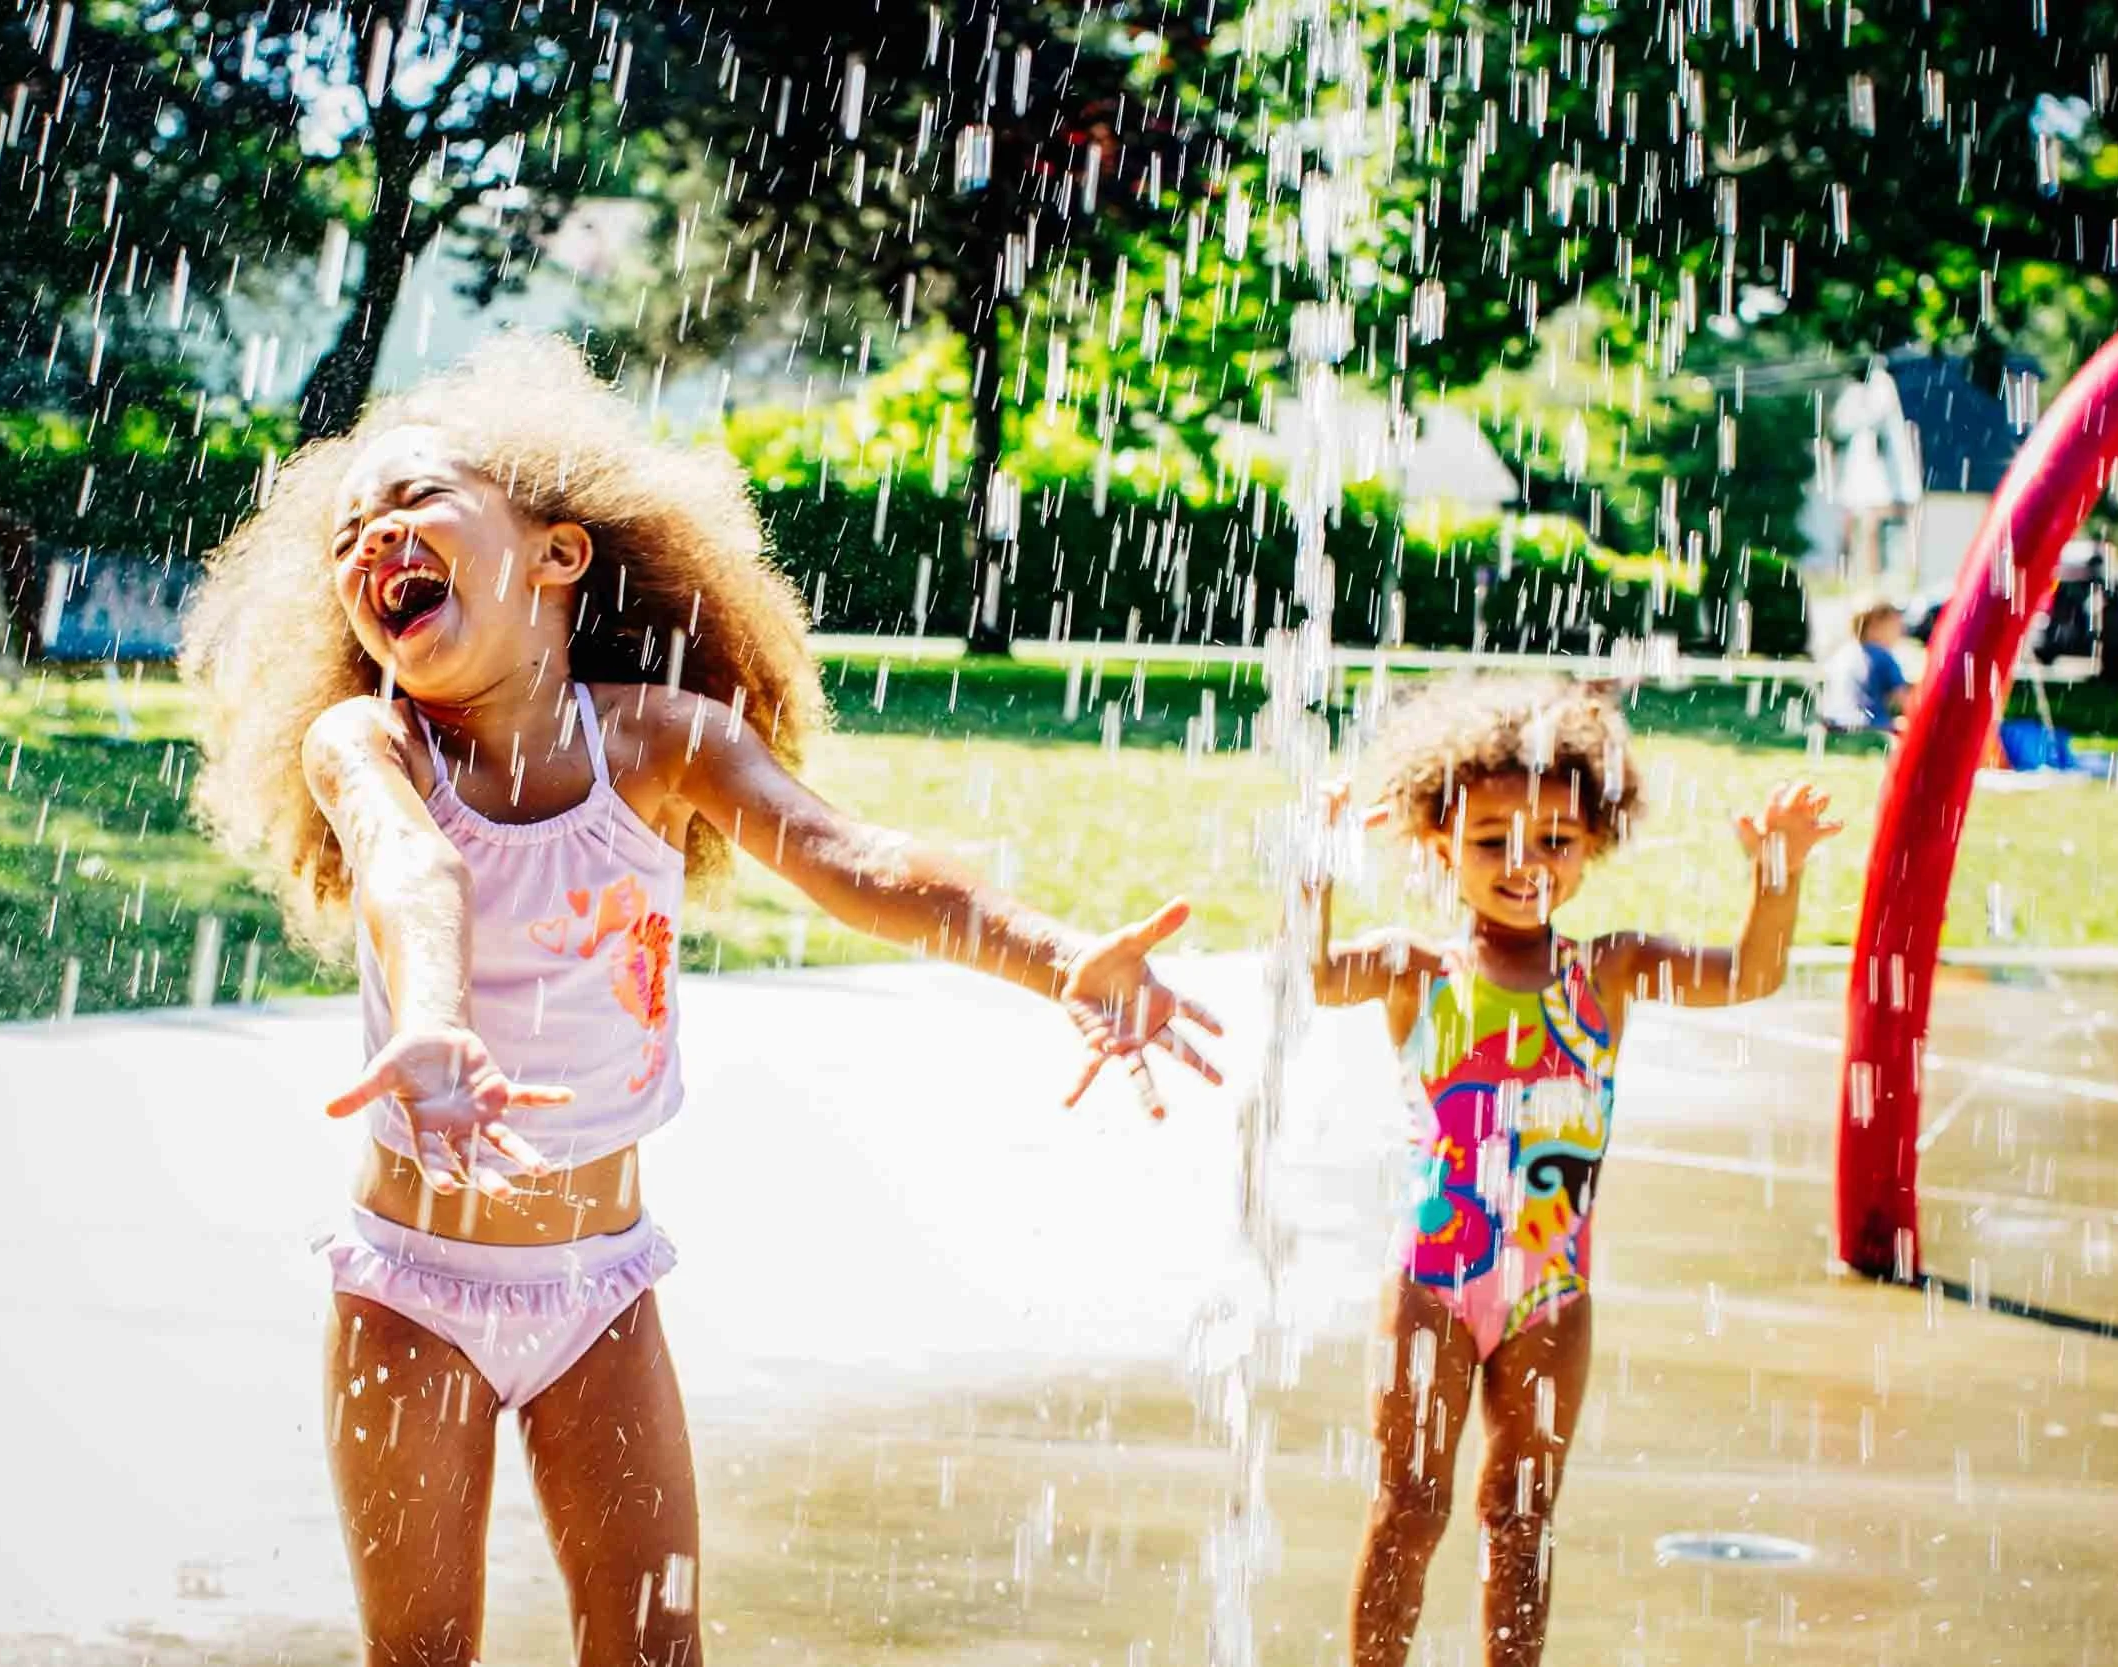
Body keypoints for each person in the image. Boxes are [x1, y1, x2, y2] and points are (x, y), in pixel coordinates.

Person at [178, 334, 1224, 1667]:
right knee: (421, 1651)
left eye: (417, 500)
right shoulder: (369, 741)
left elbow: (858, 865)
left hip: (598, 1289)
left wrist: (1057, 954)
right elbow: (409, 861)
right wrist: (433, 1014)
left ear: (560, 554)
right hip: (410, 1289)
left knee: (655, 1641)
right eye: (348, 531)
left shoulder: (663, 743)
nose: (375, 535)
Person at [1307, 678, 1840, 1667]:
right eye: (1491, 840)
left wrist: (1776, 875)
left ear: (1595, 840)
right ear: (1437, 844)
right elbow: (1306, 970)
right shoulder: (1412, 967)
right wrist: (1313, 864)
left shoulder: (1606, 969)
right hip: (1431, 1279)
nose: (1524, 864)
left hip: (1552, 1293)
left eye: (1554, 839)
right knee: (1408, 1504)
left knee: (1521, 1513)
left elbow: (1749, 976)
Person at [1821, 597, 1912, 732]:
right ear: (1875, 628)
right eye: (1896, 626)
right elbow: (1904, 701)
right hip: (1868, 725)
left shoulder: (1842, 653)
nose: (1901, 630)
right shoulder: (1883, 657)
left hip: (1833, 723)